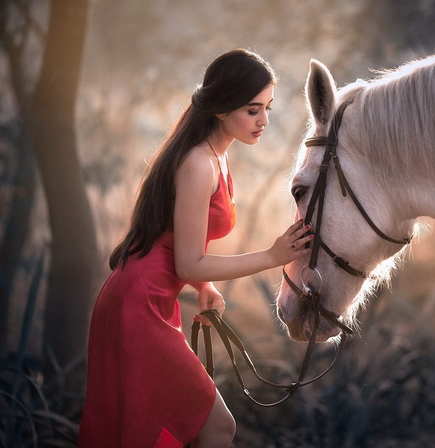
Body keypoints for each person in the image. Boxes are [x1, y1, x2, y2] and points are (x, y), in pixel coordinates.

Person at [78, 49, 312, 448]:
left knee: (171, 428)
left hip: (149, 299)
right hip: (138, 305)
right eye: (253, 110)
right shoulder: (199, 163)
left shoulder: (216, 157)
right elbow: (188, 262)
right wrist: (273, 257)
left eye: (268, 108)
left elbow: (178, 245)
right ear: (221, 108)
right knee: (216, 427)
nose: (265, 121)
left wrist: (205, 288)